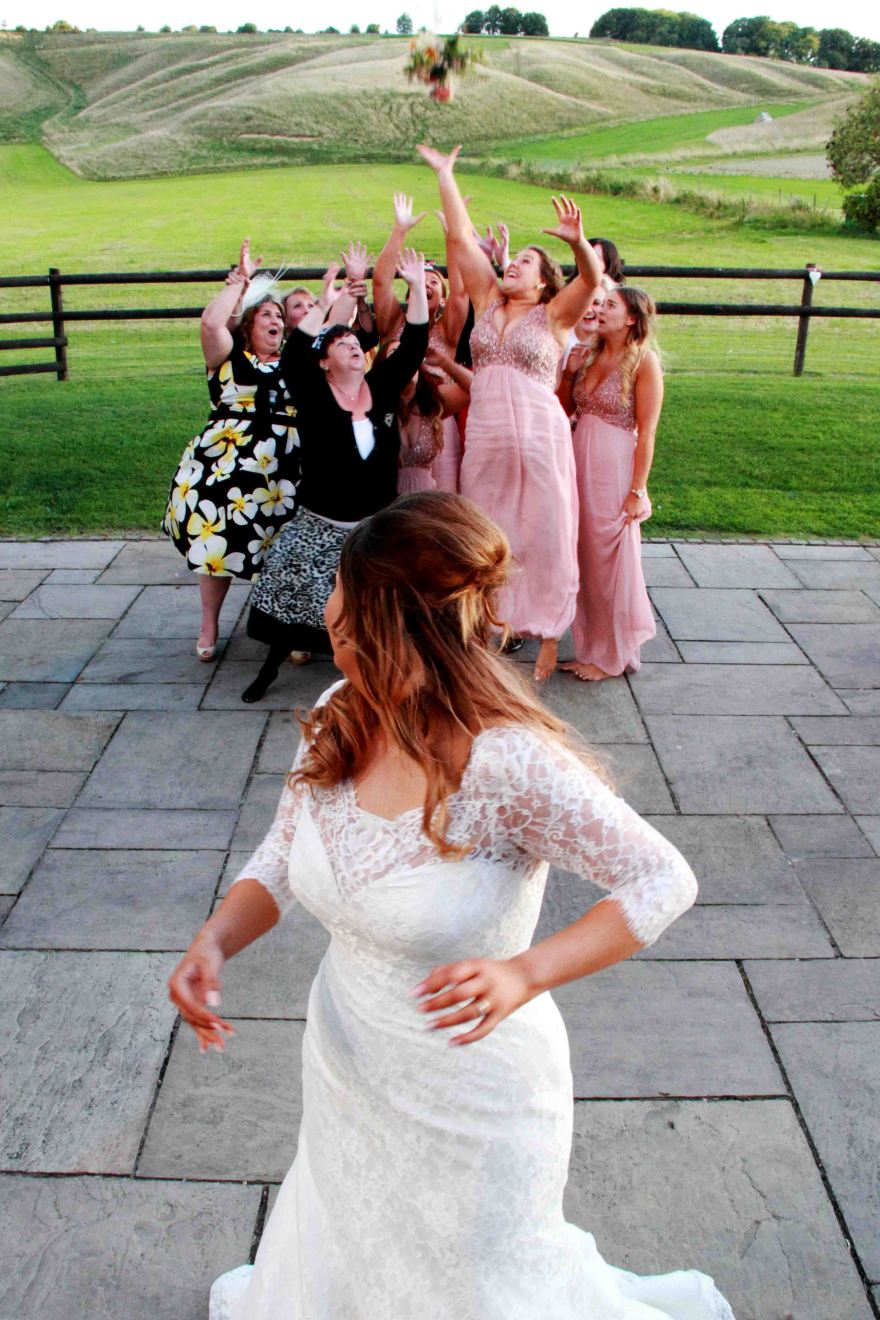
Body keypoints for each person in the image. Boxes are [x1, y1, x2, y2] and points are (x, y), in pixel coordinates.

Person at [168, 491, 734, 1320]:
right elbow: (282, 856)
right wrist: (215, 940)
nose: (332, 620)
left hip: (475, 1099)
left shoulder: (509, 764)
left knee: (472, 1282)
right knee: (355, 1248)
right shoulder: (339, 714)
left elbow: (662, 880)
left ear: (402, 630)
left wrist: (525, 974)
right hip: (348, 1064)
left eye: (350, 611)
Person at [418, 142, 603, 682]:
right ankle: (492, 625)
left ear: (544, 280)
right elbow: (457, 237)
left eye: (524, 261)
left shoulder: (555, 316)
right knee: (487, 533)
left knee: (547, 533)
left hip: (542, 438)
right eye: (512, 259)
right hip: (490, 438)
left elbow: (590, 281)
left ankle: (548, 634)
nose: (513, 264)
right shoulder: (484, 301)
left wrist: (579, 244)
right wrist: (446, 175)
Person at [239, 249, 429, 702]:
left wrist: (418, 287)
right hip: (320, 523)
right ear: (324, 362)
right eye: (342, 345)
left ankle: (390, 675)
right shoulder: (311, 392)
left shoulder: (379, 388)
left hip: (373, 528)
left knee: (390, 608)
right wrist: (328, 305)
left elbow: (416, 343)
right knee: (293, 602)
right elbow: (293, 355)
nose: (354, 349)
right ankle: (269, 669)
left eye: (356, 346)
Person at [162, 269, 299, 661]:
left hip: (285, 470)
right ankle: (210, 623)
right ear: (247, 326)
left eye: (279, 315)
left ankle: (287, 629)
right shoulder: (225, 357)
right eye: (266, 315)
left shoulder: (296, 359)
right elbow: (210, 322)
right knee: (216, 544)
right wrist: (237, 287)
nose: (276, 321)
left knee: (286, 547)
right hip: (226, 468)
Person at [558, 286, 662, 681]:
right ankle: (590, 648)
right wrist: (569, 373)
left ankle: (612, 656)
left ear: (631, 318)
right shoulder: (589, 355)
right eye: (599, 304)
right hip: (578, 460)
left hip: (615, 467)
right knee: (583, 557)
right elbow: (566, 408)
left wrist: (637, 490)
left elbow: (647, 432)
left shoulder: (644, 363)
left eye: (610, 305)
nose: (599, 310)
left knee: (609, 562)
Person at [373, 194, 469, 491]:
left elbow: (462, 293)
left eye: (433, 283)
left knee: (440, 497)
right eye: (419, 279)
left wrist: (452, 234)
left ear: (442, 298)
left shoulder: (447, 330)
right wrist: (399, 231)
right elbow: (380, 282)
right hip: (395, 416)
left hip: (439, 417)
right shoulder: (393, 323)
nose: (426, 284)